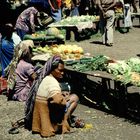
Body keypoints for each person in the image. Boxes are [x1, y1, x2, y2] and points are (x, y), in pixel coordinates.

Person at [24, 55, 83, 138]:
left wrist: (61, 94)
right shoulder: (53, 82)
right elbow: (58, 101)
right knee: (75, 98)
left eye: (63, 71)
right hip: (49, 115)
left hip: (40, 111)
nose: (62, 73)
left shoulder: (44, 78)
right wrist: (64, 99)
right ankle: (63, 123)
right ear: (52, 69)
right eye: (60, 70)